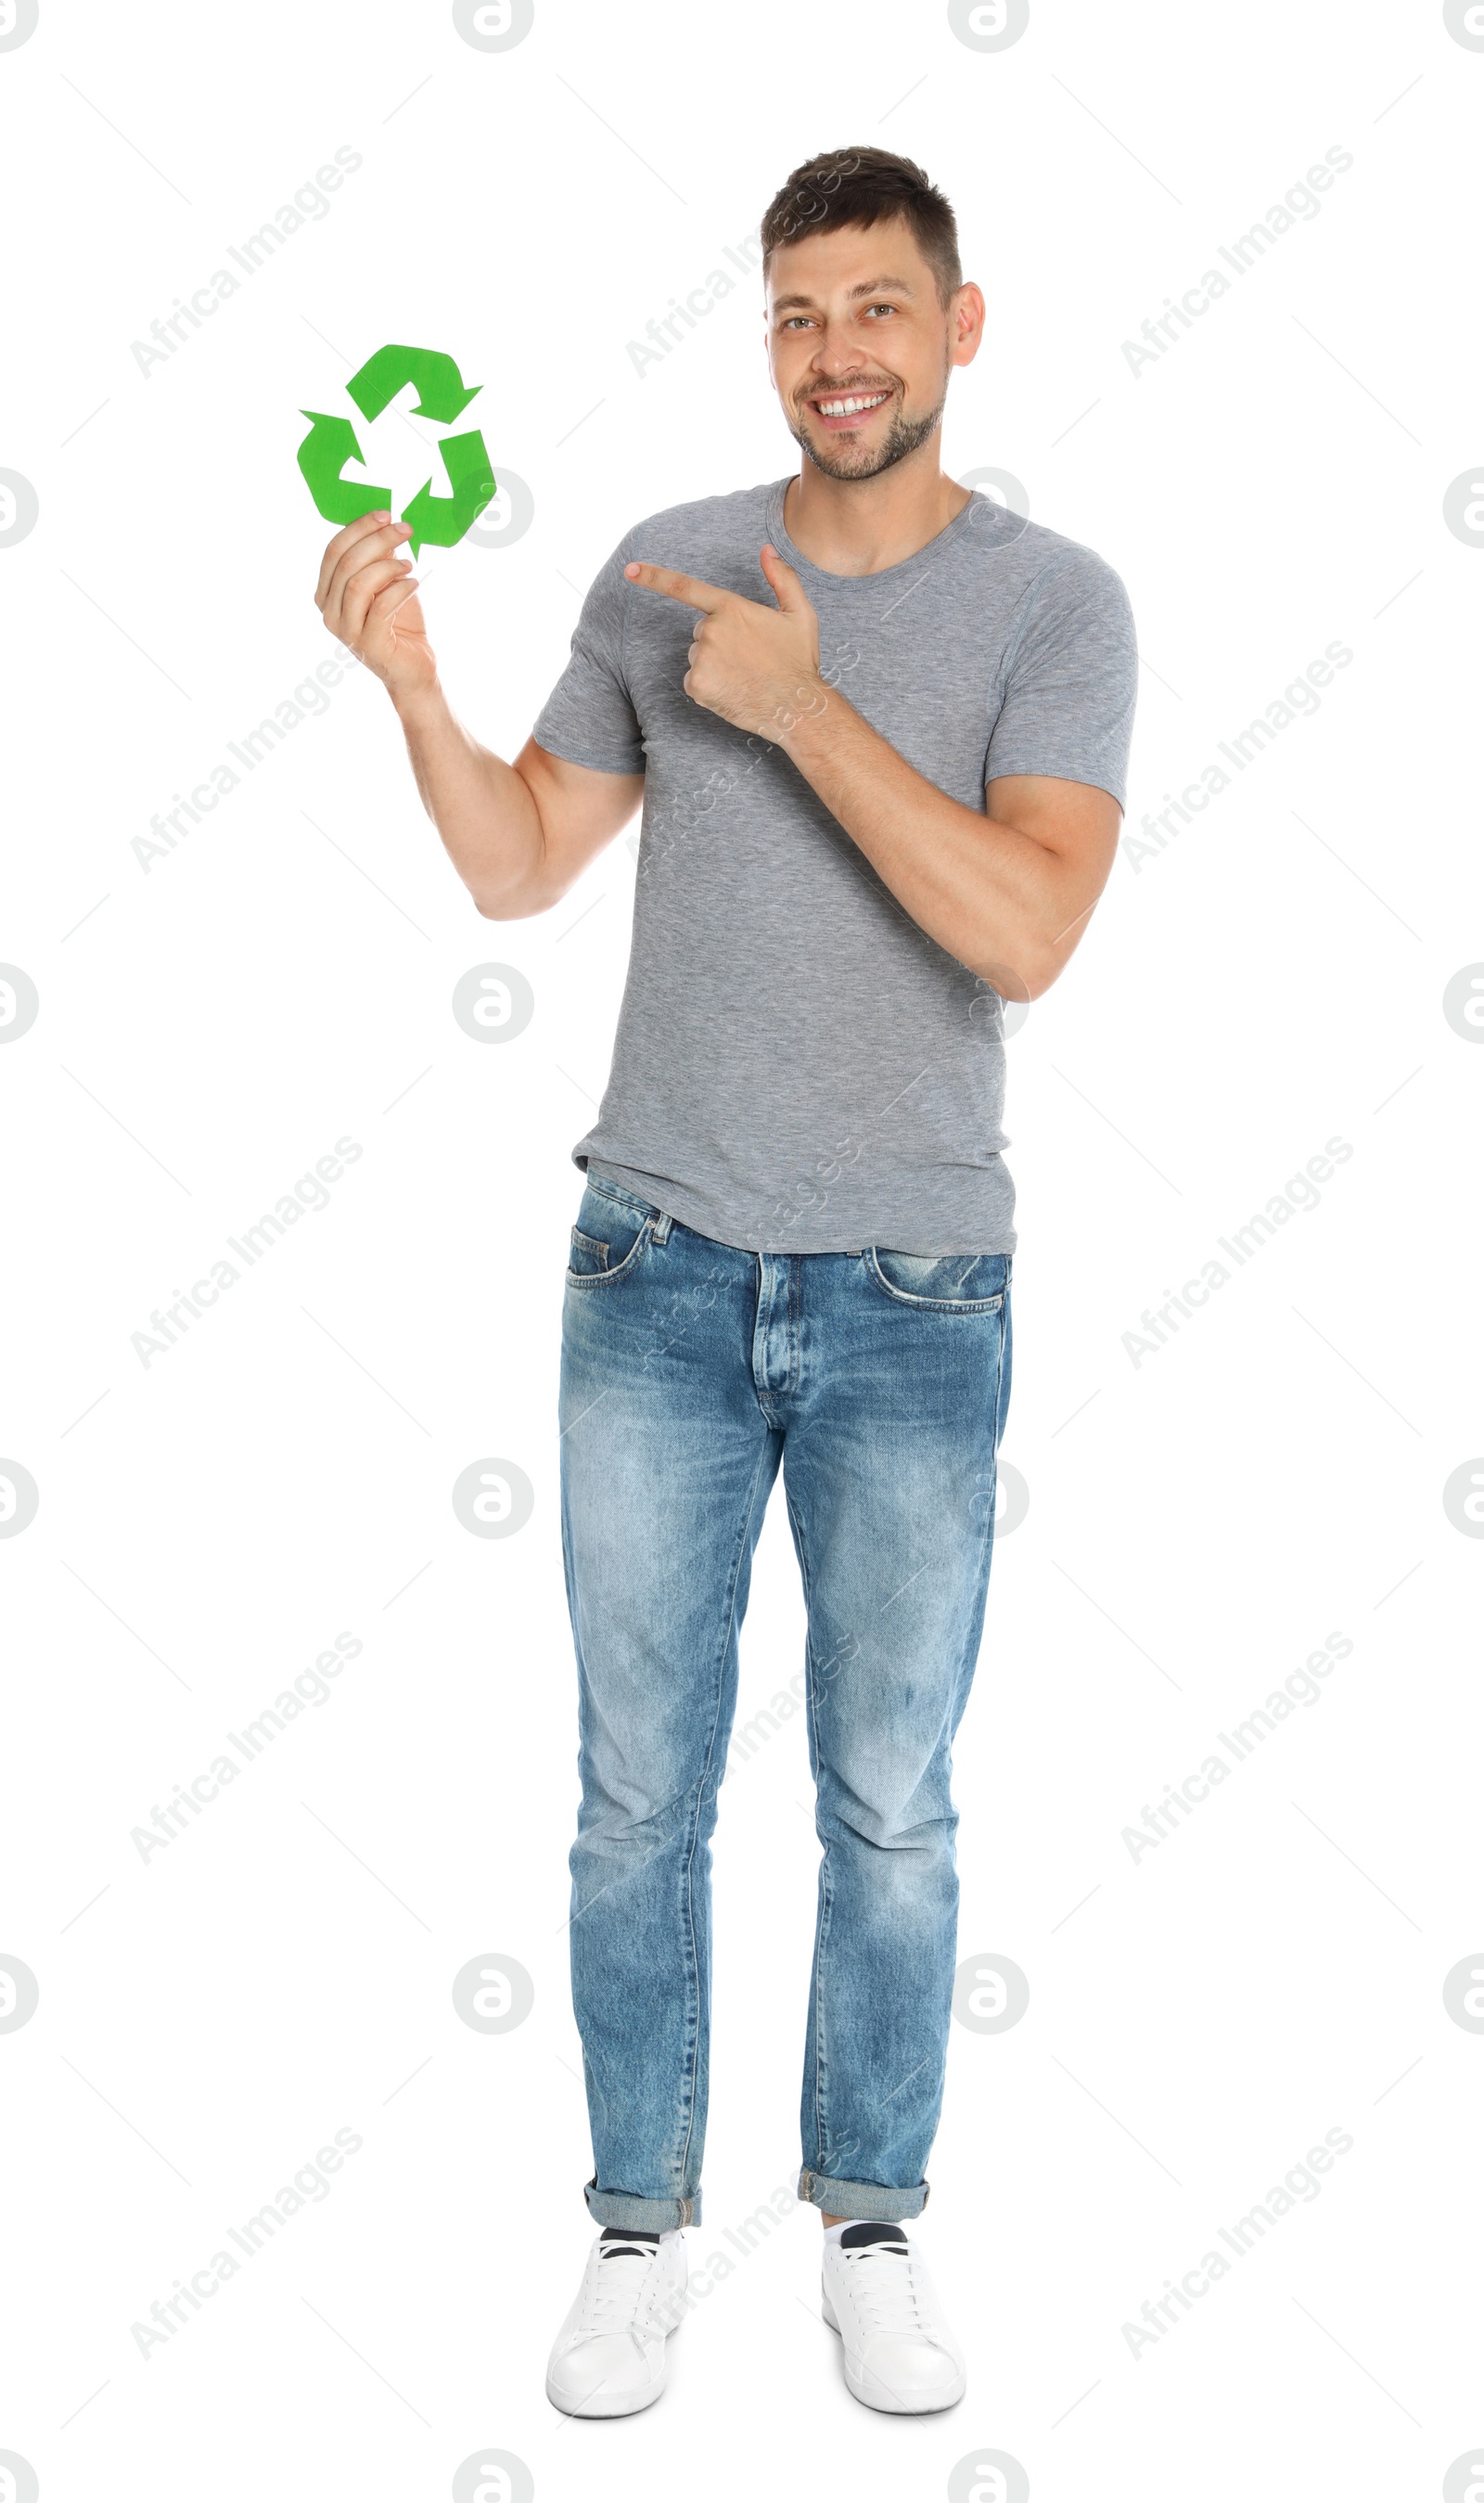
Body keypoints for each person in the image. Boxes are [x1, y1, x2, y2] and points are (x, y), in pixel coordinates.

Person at [313, 143, 1136, 2420]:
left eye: (875, 307)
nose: (833, 352)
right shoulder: (663, 570)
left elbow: (1026, 929)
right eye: (794, 312)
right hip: (653, 1260)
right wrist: (411, 689)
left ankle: (865, 2219)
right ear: (764, 333)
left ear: (956, 329)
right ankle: (637, 2228)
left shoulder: (1055, 607)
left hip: (910, 1284)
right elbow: (518, 865)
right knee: (632, 1793)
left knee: (888, 1793)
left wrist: (794, 706)